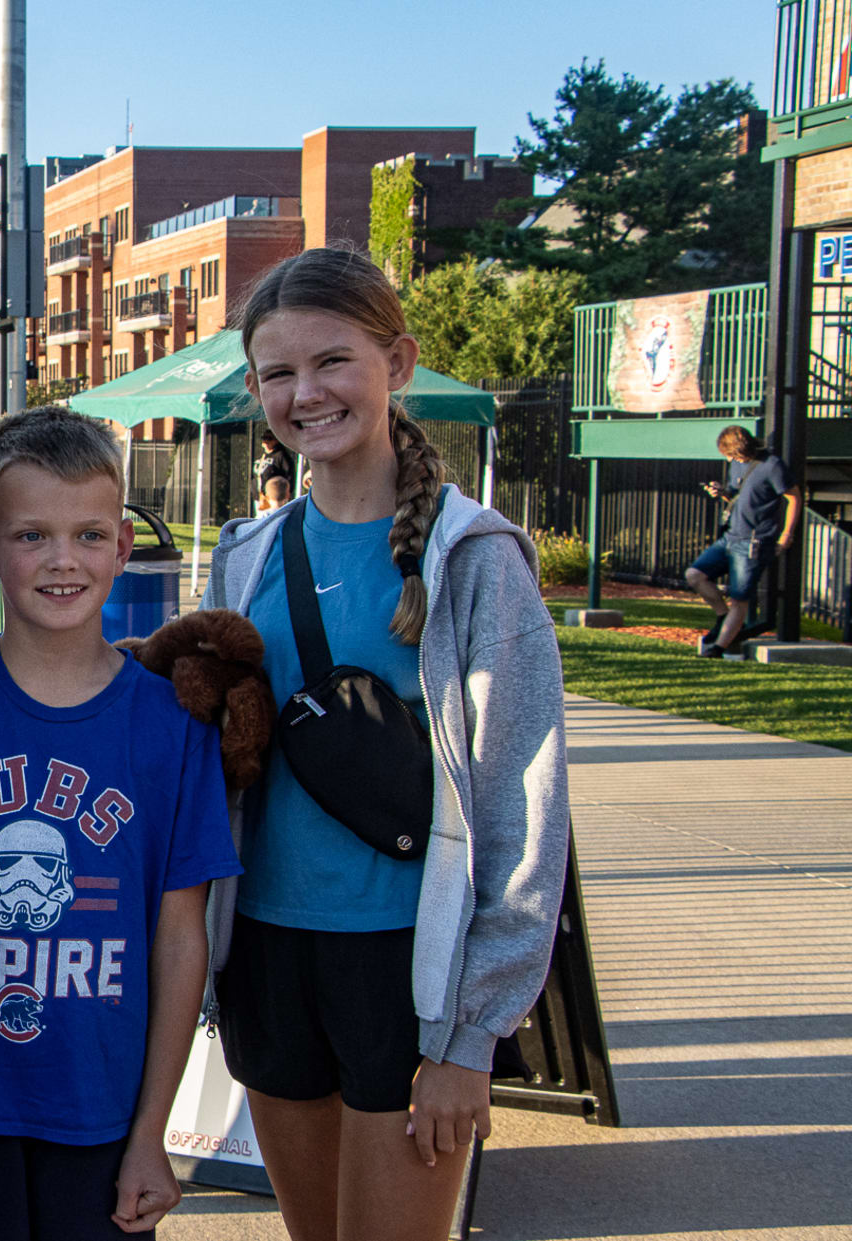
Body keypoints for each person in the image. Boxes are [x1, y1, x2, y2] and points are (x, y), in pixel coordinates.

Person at [204, 248, 569, 1241]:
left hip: (410, 968)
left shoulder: (475, 559)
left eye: (333, 361)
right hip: (268, 956)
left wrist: (471, 1036)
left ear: (397, 360)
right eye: (278, 373)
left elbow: (522, 809)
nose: (306, 393)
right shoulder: (242, 557)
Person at [0, 407, 240, 1239]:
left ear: (123, 546)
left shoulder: (172, 726)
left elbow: (182, 938)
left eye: (89, 535)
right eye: (32, 535)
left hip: (101, 1114)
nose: (63, 559)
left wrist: (154, 1130)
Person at [689, 425, 800, 657]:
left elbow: (794, 498)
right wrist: (722, 492)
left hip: (753, 540)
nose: (729, 459)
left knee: (740, 597)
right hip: (730, 535)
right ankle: (722, 617)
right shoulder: (737, 464)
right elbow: (737, 493)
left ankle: (719, 648)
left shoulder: (772, 466)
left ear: (740, 448)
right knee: (694, 575)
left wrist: (786, 534)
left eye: (730, 454)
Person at [255, 438, 295, 513]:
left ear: (276, 440)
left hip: (273, 496)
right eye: (264, 438)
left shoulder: (281, 455)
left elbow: (289, 475)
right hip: (261, 497)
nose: (266, 441)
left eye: (269, 438)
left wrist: (280, 491)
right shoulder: (262, 455)